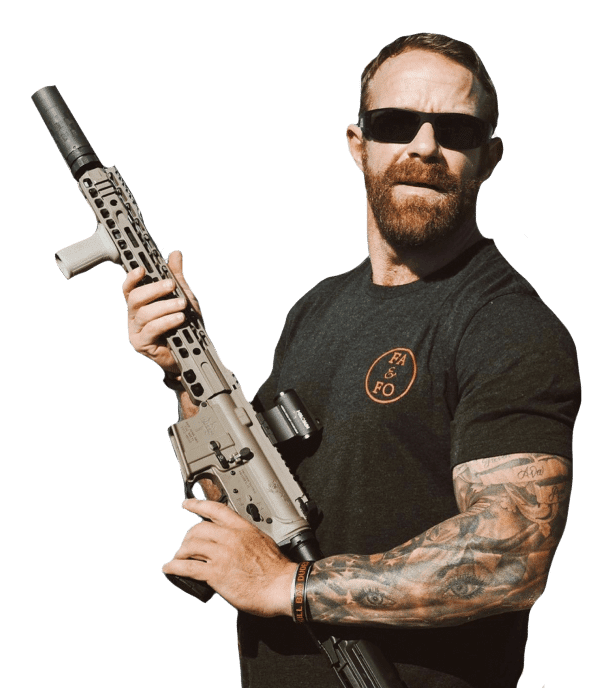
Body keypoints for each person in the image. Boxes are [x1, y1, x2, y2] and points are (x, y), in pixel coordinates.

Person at [122, 33, 581, 688]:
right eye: (395, 123)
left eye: (456, 130)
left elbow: (512, 554)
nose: (424, 146)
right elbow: (239, 491)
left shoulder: (506, 325)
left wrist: (290, 587)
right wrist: (182, 370)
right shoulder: (317, 308)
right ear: (357, 144)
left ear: (488, 158)